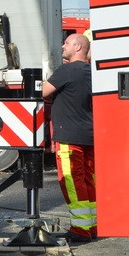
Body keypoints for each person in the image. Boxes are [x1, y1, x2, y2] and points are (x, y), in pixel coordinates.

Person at [42, 33, 96, 241]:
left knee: (71, 180)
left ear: (77, 47)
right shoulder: (91, 71)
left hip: (69, 137)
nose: (63, 46)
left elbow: (43, 91)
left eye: (66, 43)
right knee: (89, 180)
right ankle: (92, 225)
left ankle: (80, 230)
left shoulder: (66, 70)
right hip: (89, 135)